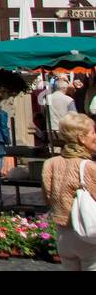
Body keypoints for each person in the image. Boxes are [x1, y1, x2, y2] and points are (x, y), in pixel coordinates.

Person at [42, 112, 96, 270]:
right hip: (89, 235)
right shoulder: (89, 167)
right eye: (93, 132)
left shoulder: (50, 163)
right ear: (81, 138)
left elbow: (47, 197)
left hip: (63, 236)